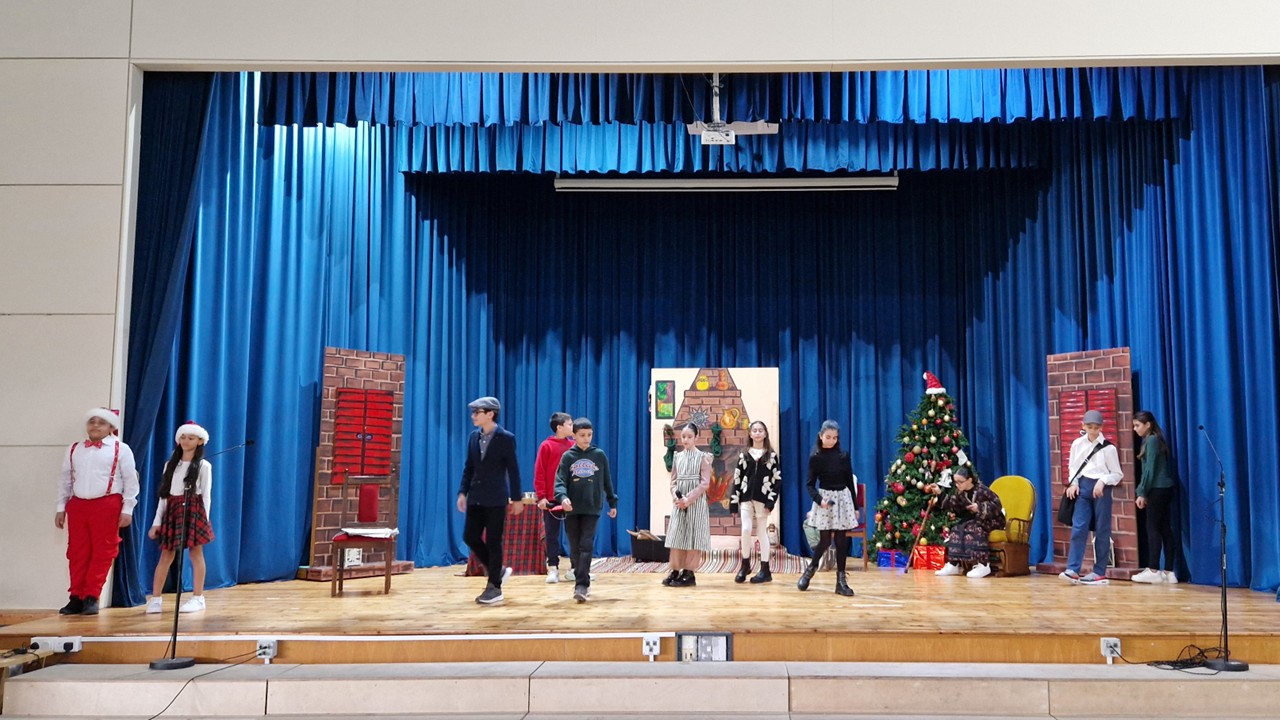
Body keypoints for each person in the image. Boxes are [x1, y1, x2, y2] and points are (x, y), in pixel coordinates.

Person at [54, 408, 140, 615]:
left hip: (107, 504)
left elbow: (131, 481)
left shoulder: (121, 449)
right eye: (92, 421)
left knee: (103, 552)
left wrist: (128, 508)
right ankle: (76, 597)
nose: (95, 425)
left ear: (111, 427)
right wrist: (61, 507)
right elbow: (65, 480)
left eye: (101, 422)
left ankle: (92, 596)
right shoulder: (75, 449)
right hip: (78, 505)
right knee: (77, 552)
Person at [457, 396, 523, 605]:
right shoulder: (473, 437)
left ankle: (494, 586)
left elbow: (513, 470)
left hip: (496, 498)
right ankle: (498, 570)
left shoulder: (506, 438)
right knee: (470, 536)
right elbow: (469, 467)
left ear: (490, 414)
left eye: (477, 412)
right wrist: (462, 492)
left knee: (494, 541)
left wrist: (517, 498)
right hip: (476, 497)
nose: (473, 416)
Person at [145, 422, 214, 614]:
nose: (185, 441)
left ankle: (198, 597)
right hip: (173, 509)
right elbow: (164, 496)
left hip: (194, 509)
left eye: (191, 438)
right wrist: (156, 522)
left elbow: (206, 495)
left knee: (196, 553)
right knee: (166, 554)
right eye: (182, 437)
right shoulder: (170, 465)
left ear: (200, 441)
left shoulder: (204, 466)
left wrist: (204, 520)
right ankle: (156, 599)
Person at [553, 418, 618, 602]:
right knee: (575, 548)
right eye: (582, 435)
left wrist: (612, 502)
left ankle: (582, 585)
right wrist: (563, 497)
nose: (586, 438)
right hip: (572, 509)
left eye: (589, 435)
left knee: (586, 545)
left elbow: (607, 480)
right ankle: (581, 579)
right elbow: (560, 482)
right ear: (574, 436)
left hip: (592, 508)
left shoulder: (599, 455)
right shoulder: (568, 457)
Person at [1059, 409, 1124, 585]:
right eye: (1089, 427)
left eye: (1096, 427)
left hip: (1102, 489)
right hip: (1083, 487)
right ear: (1083, 426)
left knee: (1102, 529)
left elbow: (1117, 474)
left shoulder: (1108, 448)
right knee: (1079, 527)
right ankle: (1073, 569)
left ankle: (1099, 571)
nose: (1093, 430)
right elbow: (1073, 467)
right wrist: (1073, 483)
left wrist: (1103, 481)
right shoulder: (1077, 444)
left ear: (1101, 427)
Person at [797, 420, 856, 597]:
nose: (831, 441)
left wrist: (855, 506)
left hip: (842, 499)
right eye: (828, 437)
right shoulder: (816, 457)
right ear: (821, 436)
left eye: (834, 438)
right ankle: (810, 570)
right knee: (824, 541)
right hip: (825, 499)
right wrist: (820, 500)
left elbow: (849, 482)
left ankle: (841, 581)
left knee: (841, 540)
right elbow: (809, 484)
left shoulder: (843, 456)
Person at [926, 467, 1003, 578]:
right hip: (974, 520)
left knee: (975, 528)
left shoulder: (982, 490)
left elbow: (997, 504)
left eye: (960, 482)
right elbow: (952, 505)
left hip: (992, 520)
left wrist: (980, 507)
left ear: (969, 480)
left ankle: (983, 565)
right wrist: (939, 493)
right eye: (955, 482)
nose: (957, 485)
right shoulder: (961, 493)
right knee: (956, 529)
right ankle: (953, 564)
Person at [1131, 410, 1178, 584]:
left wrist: (1141, 492)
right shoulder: (1157, 439)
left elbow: (1149, 470)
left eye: (1137, 425)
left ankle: (1153, 570)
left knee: (1152, 528)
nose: (1135, 429)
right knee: (1165, 528)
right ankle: (1169, 572)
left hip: (1157, 489)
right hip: (1166, 489)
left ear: (1148, 424)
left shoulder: (1151, 440)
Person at [730, 421, 781, 584]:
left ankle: (765, 569)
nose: (757, 433)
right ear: (750, 434)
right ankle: (745, 564)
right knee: (745, 529)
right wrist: (734, 501)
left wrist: (771, 501)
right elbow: (737, 478)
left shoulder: (771, 456)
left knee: (761, 532)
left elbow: (777, 480)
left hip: (763, 499)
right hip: (746, 498)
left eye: (760, 430)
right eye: (754, 430)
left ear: (765, 434)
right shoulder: (744, 455)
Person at [663, 422, 712, 587]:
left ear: (696, 437)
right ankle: (675, 569)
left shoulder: (703, 457)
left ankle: (689, 572)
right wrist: (676, 497)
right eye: (683, 436)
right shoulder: (678, 457)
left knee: (693, 535)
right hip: (679, 503)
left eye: (689, 436)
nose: (686, 440)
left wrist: (688, 499)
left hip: (695, 503)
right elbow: (673, 481)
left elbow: (705, 483)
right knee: (677, 535)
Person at [535, 412, 575, 583]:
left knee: (574, 535)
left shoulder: (574, 446)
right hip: (551, 500)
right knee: (551, 536)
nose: (572, 427)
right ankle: (553, 568)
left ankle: (575, 569)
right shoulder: (546, 446)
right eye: (570, 424)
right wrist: (541, 497)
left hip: (571, 499)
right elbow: (540, 472)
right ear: (559, 427)